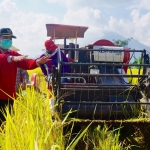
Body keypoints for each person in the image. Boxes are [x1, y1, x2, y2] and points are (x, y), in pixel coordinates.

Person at [0, 27, 50, 126]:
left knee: (6, 124)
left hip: (9, 95)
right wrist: (11, 58)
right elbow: (3, 58)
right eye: (5, 37)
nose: (8, 40)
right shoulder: (11, 56)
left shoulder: (13, 53)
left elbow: (25, 62)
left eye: (10, 38)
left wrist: (37, 62)